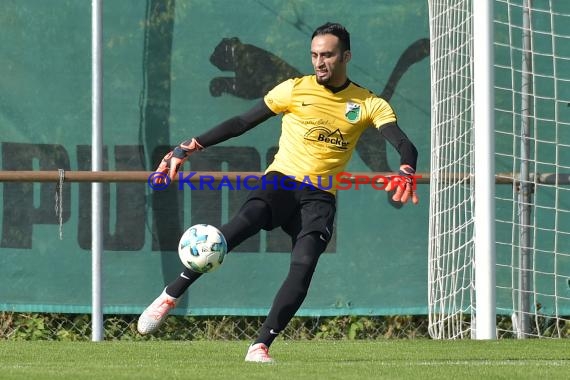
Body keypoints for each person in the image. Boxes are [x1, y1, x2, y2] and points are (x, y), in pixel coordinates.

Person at [137, 22, 419, 363]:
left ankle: (260, 345)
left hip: (319, 198)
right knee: (243, 222)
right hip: (281, 182)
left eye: (328, 55)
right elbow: (242, 122)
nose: (319, 62)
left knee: (303, 268)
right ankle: (172, 294)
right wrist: (190, 145)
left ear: (346, 56)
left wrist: (406, 169)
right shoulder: (294, 89)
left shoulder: (368, 103)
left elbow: (404, 144)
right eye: (314, 54)